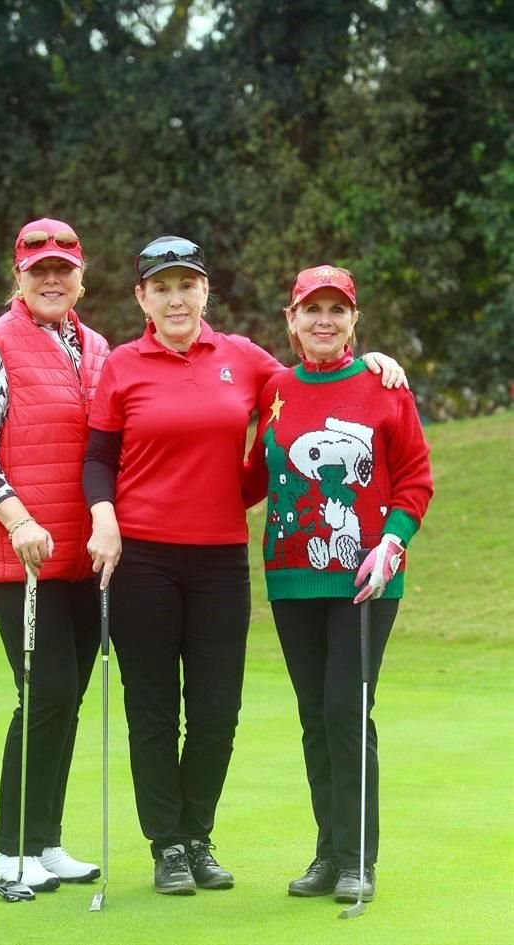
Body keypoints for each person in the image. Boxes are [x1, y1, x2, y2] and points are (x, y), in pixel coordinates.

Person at [81, 236, 408, 896]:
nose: (177, 297)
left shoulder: (244, 360)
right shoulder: (122, 365)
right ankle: (167, 843)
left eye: (187, 284)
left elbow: (315, 379)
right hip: (142, 556)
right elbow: (97, 457)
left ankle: (197, 836)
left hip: (221, 560)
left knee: (216, 712)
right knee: (151, 710)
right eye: (162, 287)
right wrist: (103, 514)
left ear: (205, 291)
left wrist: (373, 361)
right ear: (143, 297)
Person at [244, 264, 433, 904]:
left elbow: (415, 479)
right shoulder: (275, 387)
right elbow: (251, 477)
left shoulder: (384, 386)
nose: (324, 320)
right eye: (311, 309)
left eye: (337, 309)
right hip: (292, 578)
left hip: (365, 579)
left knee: (345, 712)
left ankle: (359, 859)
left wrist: (393, 540)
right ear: (292, 320)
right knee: (313, 717)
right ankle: (328, 852)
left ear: (354, 320)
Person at [0, 218, 109, 894]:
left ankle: (44, 842)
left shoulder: (96, 346)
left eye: (63, 268)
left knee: (66, 696)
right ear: (17, 274)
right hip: (20, 551)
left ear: (81, 275)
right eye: (38, 267)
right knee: (44, 691)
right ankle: (8, 850)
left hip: (79, 551)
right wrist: (16, 517)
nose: (52, 278)